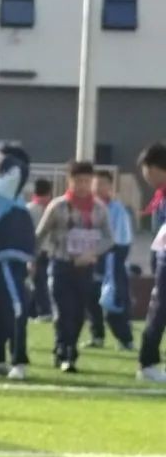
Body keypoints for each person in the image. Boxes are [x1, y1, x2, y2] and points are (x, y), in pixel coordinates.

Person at [35, 161, 114, 373]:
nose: (83, 185)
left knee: (79, 313)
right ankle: (65, 352)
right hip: (61, 264)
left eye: (87, 181)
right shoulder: (58, 206)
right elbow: (40, 235)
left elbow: (109, 238)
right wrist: (32, 259)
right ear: (70, 181)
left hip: (85, 267)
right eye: (78, 181)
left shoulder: (99, 208)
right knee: (63, 311)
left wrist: (93, 253)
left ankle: (68, 349)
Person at [0, 145, 36, 380]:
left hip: (5, 255)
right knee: (16, 305)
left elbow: (19, 168)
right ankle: (18, 360)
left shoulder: (3, 187)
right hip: (5, 254)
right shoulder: (0, 187)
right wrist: (6, 161)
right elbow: (19, 168)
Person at [85, 170, 134, 351]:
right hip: (89, 259)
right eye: (95, 183)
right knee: (91, 300)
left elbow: (122, 240)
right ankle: (97, 336)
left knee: (112, 302)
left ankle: (125, 339)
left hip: (111, 260)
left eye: (102, 184)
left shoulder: (117, 209)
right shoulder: (87, 207)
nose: (98, 187)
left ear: (110, 187)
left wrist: (109, 259)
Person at [136, 144, 166, 382]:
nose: (146, 177)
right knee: (159, 310)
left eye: (147, 171)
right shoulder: (160, 196)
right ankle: (148, 362)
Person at [27, 178, 54, 322]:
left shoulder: (29, 208)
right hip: (47, 250)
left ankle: (41, 311)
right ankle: (38, 311)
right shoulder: (51, 208)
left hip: (33, 250)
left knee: (38, 281)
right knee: (40, 282)